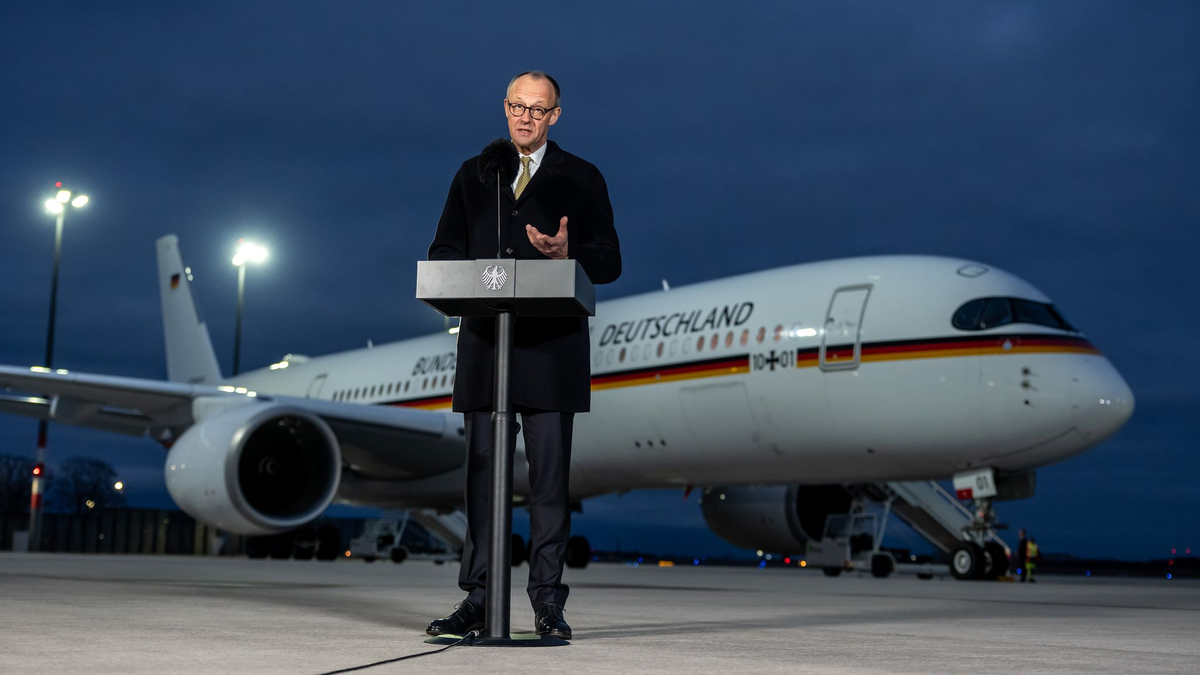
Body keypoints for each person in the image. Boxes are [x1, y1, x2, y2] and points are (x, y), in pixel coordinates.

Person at [425, 71, 621, 641]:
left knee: (548, 487)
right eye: (517, 106)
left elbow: (609, 261)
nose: (526, 117)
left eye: (538, 109)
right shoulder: (473, 175)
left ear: (555, 115)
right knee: (482, 481)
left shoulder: (582, 178)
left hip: (551, 352)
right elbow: (443, 252)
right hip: (488, 349)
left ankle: (547, 605)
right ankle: (479, 601)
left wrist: (569, 252)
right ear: (503, 108)